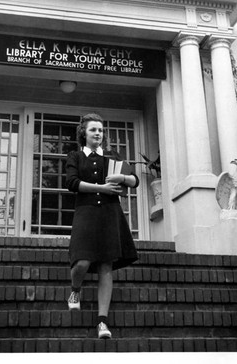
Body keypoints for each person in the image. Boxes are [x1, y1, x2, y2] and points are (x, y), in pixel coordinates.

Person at [65, 112, 139, 339]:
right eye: (93, 130)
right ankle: (75, 291)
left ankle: (102, 322)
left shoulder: (112, 156)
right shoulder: (75, 156)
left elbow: (134, 179)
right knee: (82, 262)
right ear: (84, 134)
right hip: (86, 213)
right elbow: (72, 183)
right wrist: (102, 188)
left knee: (106, 265)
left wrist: (122, 179)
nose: (98, 133)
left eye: (100, 130)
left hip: (109, 214)